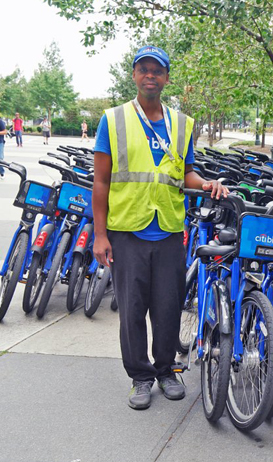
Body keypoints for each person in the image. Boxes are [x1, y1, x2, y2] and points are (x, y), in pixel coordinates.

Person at [92, 45, 228, 411]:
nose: (150, 75)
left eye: (157, 70)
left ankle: (166, 370)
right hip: (127, 232)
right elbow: (101, 182)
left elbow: (186, 173)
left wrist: (206, 184)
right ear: (134, 75)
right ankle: (140, 376)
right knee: (133, 310)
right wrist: (100, 235)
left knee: (168, 308)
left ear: (166, 78)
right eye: (143, 69)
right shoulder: (113, 120)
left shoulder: (181, 124)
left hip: (168, 231)